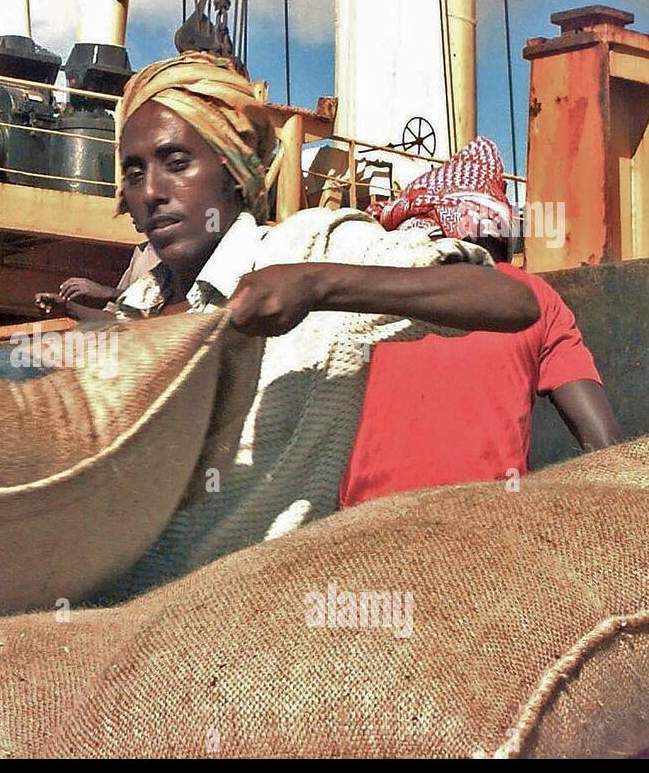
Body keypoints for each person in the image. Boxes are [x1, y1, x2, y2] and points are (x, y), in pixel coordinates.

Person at [95, 52, 542, 599]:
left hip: (253, 617)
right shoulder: (135, 307)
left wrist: (319, 286)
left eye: (176, 161)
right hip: (119, 619)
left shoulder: (305, 247)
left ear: (235, 172)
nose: (151, 192)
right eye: (134, 172)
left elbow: (507, 299)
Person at [338, 137, 621, 507]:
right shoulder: (534, 296)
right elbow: (603, 442)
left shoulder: (367, 285)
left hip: (357, 533)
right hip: (488, 531)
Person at [34, 242, 162, 321]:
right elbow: (115, 319)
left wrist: (108, 292)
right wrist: (67, 307)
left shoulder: (176, 253)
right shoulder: (142, 251)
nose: (130, 213)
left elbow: (163, 307)